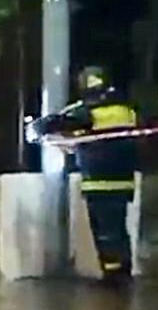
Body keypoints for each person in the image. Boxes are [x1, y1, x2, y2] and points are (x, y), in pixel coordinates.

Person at [37, 66, 139, 285]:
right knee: (119, 230)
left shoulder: (89, 111)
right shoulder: (125, 110)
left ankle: (113, 277)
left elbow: (58, 122)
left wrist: (38, 128)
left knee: (105, 233)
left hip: (99, 181)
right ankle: (123, 271)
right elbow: (103, 138)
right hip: (123, 181)